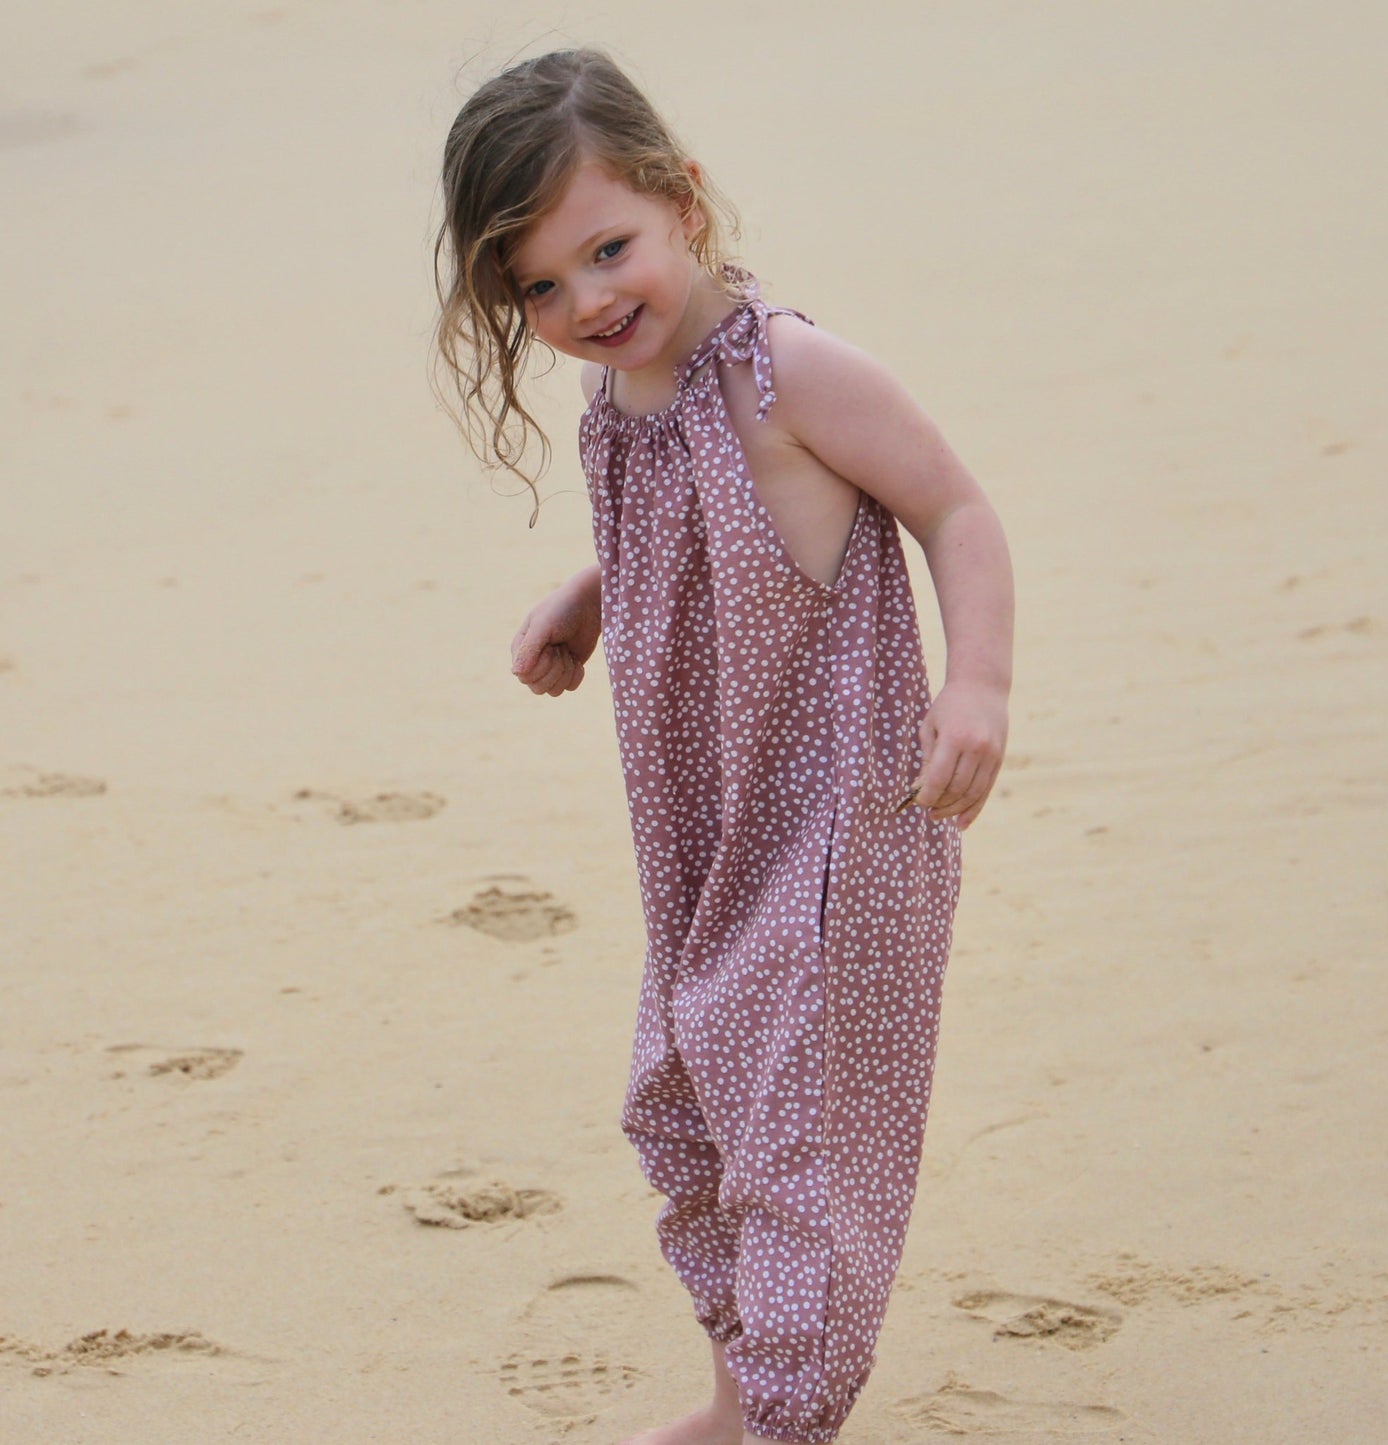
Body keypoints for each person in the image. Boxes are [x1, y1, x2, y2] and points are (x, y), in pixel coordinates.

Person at [434, 48, 1013, 1445]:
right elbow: (686, 540)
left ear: (683, 201)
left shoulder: (787, 372)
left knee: (800, 1151)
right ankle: (735, 1395)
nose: (587, 303)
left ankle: (787, 1419)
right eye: (539, 289)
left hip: (838, 837)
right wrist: (587, 595)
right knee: (690, 1113)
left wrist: (977, 685)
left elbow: (952, 509)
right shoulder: (621, 405)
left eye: (608, 249)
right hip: (709, 848)